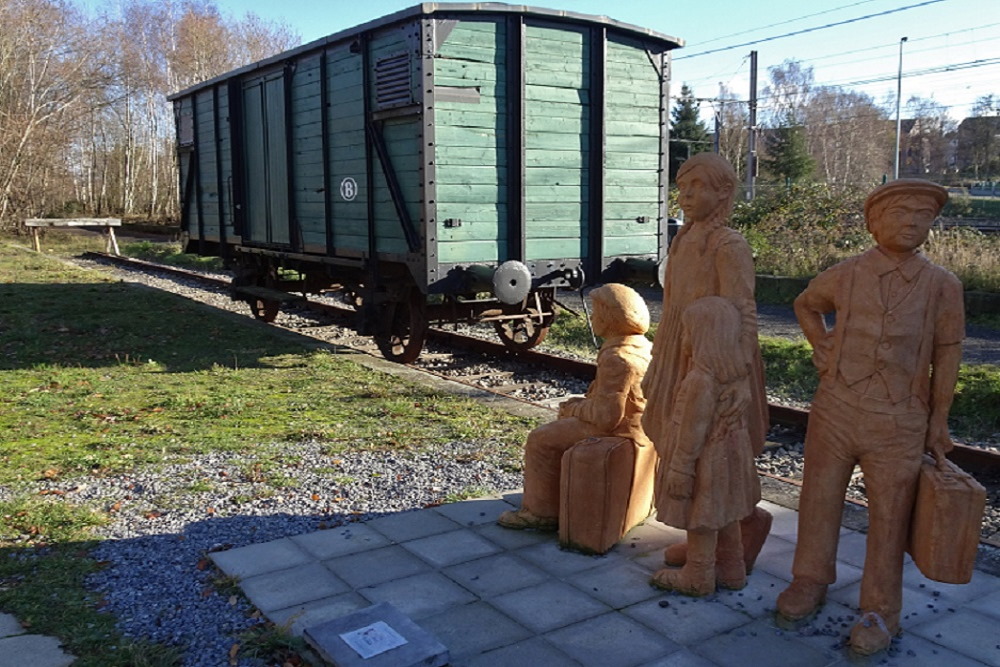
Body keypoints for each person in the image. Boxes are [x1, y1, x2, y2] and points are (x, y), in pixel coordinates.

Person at [775, 179, 963, 656]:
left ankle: (881, 609)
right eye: (901, 213)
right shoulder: (847, 274)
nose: (913, 223)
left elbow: (948, 351)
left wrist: (939, 418)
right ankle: (810, 578)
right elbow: (806, 304)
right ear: (873, 222)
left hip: (900, 417)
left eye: (923, 216)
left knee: (890, 514)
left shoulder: (943, 286)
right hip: (836, 407)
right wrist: (821, 345)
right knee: (819, 496)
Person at [641, 152, 771, 571]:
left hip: (714, 359)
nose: (687, 197)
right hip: (677, 348)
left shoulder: (728, 244)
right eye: (682, 189)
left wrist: (737, 377)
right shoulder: (683, 239)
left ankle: (743, 529)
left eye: (698, 188)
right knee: (667, 432)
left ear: (725, 191)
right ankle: (710, 541)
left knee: (709, 451)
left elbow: (743, 311)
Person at [498, 283, 652, 530]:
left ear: (611, 317)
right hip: (639, 425)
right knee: (562, 423)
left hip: (621, 431)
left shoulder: (617, 358)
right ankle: (556, 494)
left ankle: (540, 513)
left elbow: (606, 417)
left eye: (596, 313)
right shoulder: (641, 345)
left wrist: (573, 408)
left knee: (541, 439)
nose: (592, 318)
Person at [650, 297, 761, 596]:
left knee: (701, 517)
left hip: (704, 461)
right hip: (730, 459)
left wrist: (681, 469)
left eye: (688, 332)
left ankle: (698, 574)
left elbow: (692, 429)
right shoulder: (731, 377)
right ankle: (732, 568)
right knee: (725, 513)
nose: (684, 338)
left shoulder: (700, 380)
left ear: (702, 337)